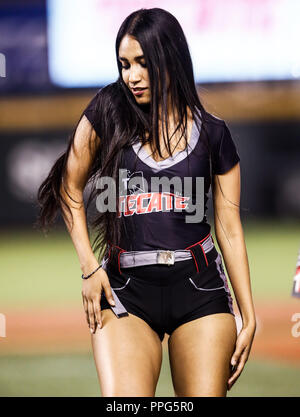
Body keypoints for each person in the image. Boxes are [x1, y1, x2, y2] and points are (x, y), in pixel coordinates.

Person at [36, 8, 256, 397]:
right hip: (125, 292)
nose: (131, 76)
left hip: (200, 289)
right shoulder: (107, 111)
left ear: (169, 58)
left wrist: (248, 314)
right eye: (124, 64)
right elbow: (68, 187)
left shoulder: (213, 134)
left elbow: (229, 228)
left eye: (142, 63)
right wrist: (89, 268)